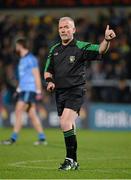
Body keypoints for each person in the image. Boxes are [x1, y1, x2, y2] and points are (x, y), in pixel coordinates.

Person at [44, 16, 116, 170]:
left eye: (66, 27)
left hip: (76, 90)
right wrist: (50, 81)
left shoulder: (80, 47)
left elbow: (100, 49)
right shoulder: (54, 49)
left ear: (74, 30)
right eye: (61, 28)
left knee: (64, 122)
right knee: (69, 125)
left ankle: (69, 160)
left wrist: (106, 40)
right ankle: (74, 162)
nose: (63, 30)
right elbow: (48, 70)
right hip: (60, 93)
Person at [1, 37, 47, 146]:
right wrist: (18, 89)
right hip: (23, 89)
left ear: (20, 46)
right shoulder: (22, 59)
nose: (16, 47)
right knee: (32, 114)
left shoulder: (31, 59)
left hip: (29, 90)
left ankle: (13, 138)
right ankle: (42, 138)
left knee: (18, 110)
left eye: (17, 45)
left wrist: (39, 91)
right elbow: (23, 77)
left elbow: (36, 75)